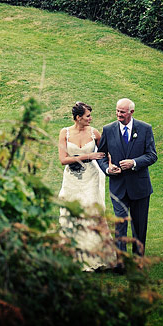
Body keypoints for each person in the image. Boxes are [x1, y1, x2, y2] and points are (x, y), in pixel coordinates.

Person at [58, 102, 117, 271]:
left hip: (92, 177)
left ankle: (98, 257)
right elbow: (63, 160)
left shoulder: (94, 132)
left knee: (92, 212)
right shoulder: (65, 133)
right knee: (72, 213)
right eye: (88, 116)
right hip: (72, 179)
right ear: (78, 118)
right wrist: (88, 155)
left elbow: (107, 152)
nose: (91, 118)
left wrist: (110, 164)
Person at [97, 98, 157, 259]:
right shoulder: (108, 130)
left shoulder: (145, 129)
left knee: (139, 226)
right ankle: (121, 261)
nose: (118, 114)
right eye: (117, 111)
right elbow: (100, 156)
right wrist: (108, 169)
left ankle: (138, 259)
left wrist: (134, 162)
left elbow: (152, 156)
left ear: (131, 112)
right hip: (118, 187)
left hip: (140, 187)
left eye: (122, 112)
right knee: (119, 225)